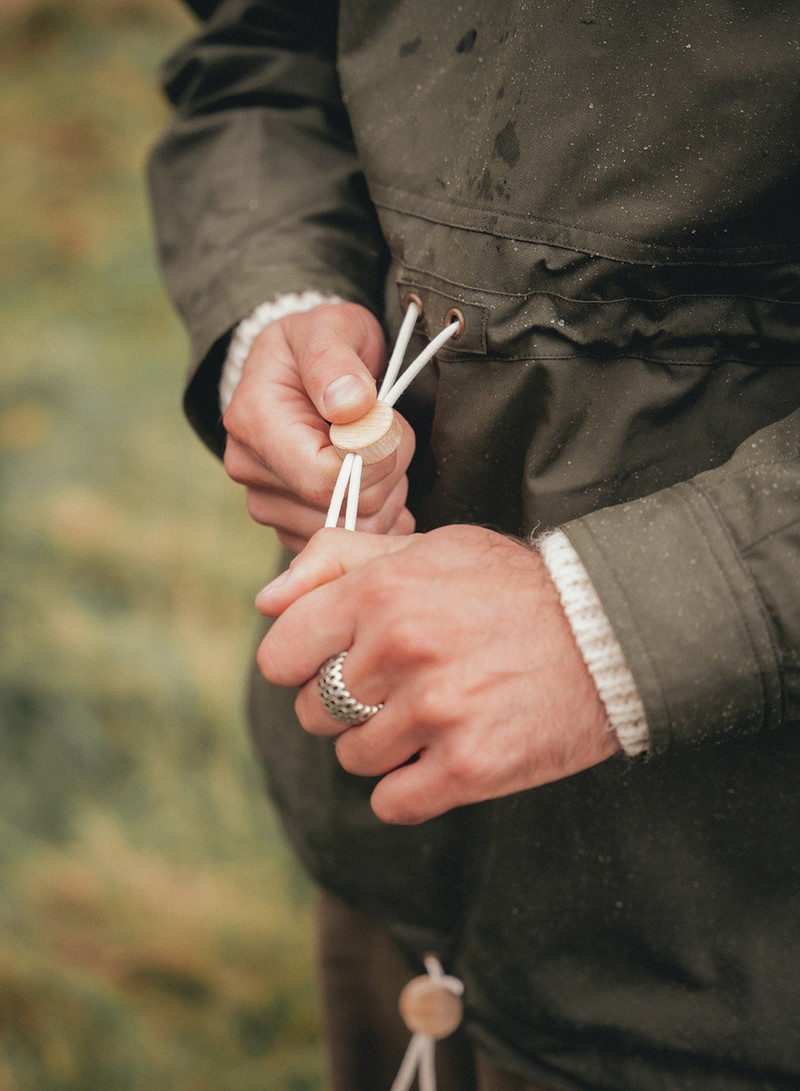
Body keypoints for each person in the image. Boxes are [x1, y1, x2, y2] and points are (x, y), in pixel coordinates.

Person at [148, 1, 800, 1087]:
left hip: (735, 947)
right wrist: (272, 302)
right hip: (392, 867)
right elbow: (262, 52)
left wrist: (631, 618)